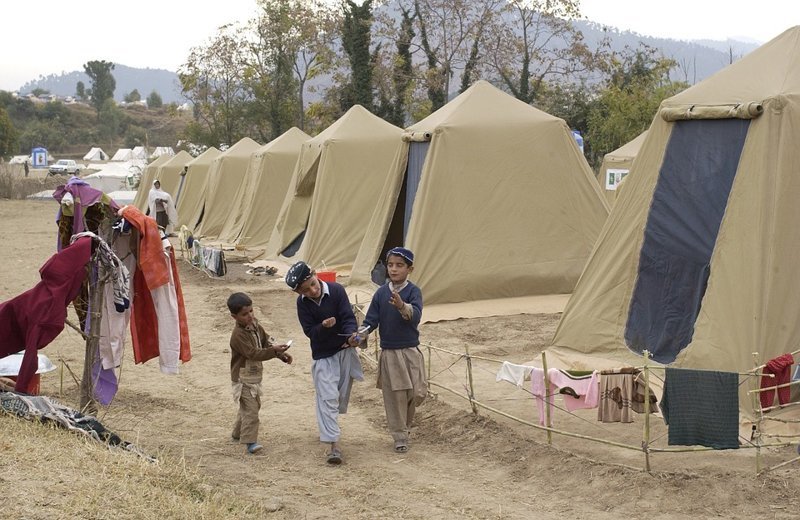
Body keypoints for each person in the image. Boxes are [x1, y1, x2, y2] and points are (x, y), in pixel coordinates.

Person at [286, 261, 363, 465]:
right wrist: (323, 326)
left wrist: (352, 335)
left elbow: (347, 317)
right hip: (323, 355)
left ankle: (329, 428)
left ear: (315, 274)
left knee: (338, 396)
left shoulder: (337, 290)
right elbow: (310, 332)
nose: (313, 290)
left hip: (345, 350)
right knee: (327, 397)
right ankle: (333, 445)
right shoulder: (303, 304)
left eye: (313, 283)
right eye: (306, 290)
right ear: (299, 293)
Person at [354, 247, 426, 453]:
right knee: (396, 396)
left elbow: (416, 315)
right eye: (390, 265)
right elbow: (371, 321)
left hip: (411, 351)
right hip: (390, 353)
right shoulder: (381, 293)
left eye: (399, 265)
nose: (394, 269)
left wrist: (402, 306)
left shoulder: (413, 291)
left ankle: (406, 425)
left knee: (416, 392)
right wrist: (361, 335)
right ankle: (399, 435)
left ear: (409, 269)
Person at [227, 292, 293, 455]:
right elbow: (253, 353)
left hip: (254, 375)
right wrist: (273, 351)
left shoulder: (255, 325)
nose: (249, 316)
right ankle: (250, 441)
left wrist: (281, 354)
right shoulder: (238, 335)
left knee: (252, 406)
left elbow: (265, 341)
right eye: (244, 314)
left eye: (251, 311)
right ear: (234, 317)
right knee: (251, 410)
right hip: (242, 378)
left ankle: (237, 433)